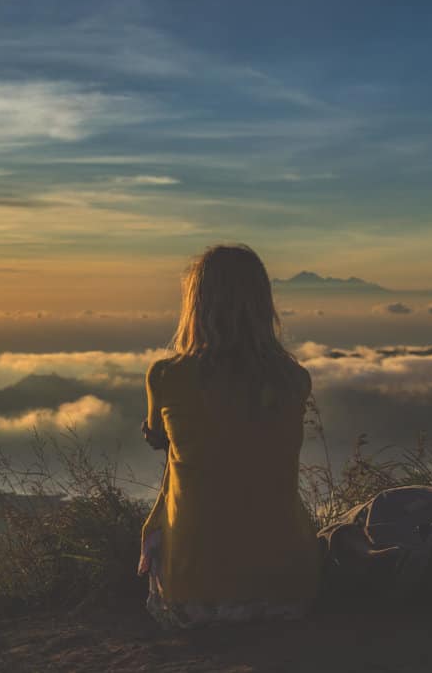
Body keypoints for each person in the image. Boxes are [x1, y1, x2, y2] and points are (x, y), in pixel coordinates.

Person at [138, 243, 320, 628]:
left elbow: (158, 436)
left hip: (194, 600)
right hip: (288, 592)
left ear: (196, 303)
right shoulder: (294, 379)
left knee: (178, 474)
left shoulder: (166, 376)